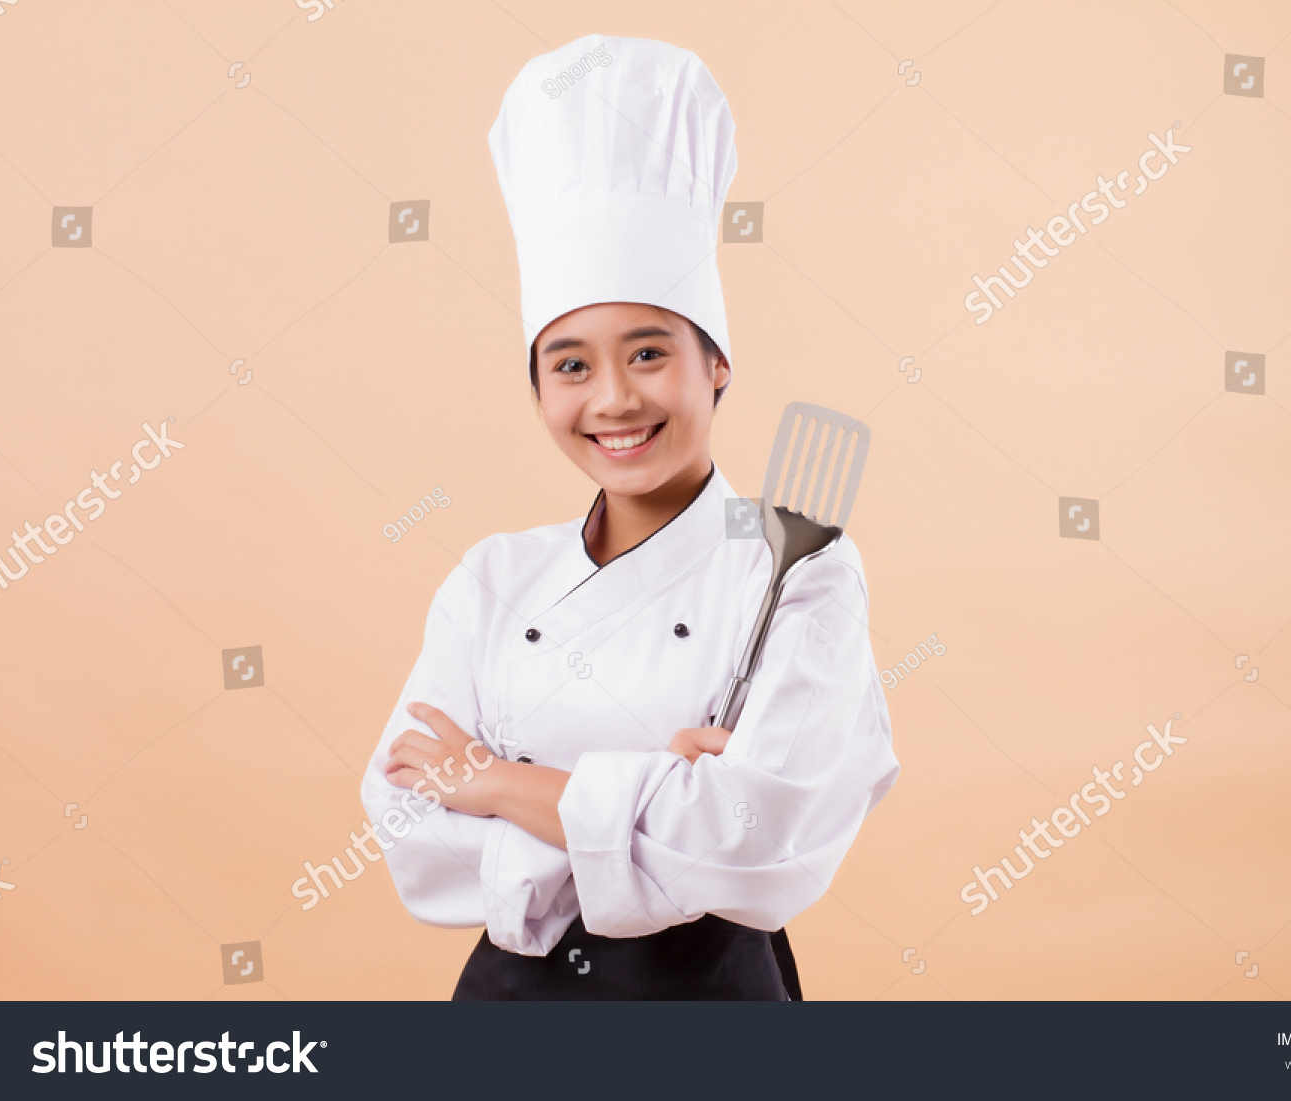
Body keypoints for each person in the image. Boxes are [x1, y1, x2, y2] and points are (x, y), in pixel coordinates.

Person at [359, 33, 899, 1000]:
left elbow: (764, 840)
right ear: (537, 389)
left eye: (648, 353)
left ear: (717, 362)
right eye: (570, 364)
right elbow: (404, 820)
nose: (611, 399)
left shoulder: (797, 564)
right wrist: (657, 792)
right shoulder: (493, 577)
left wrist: (495, 784)